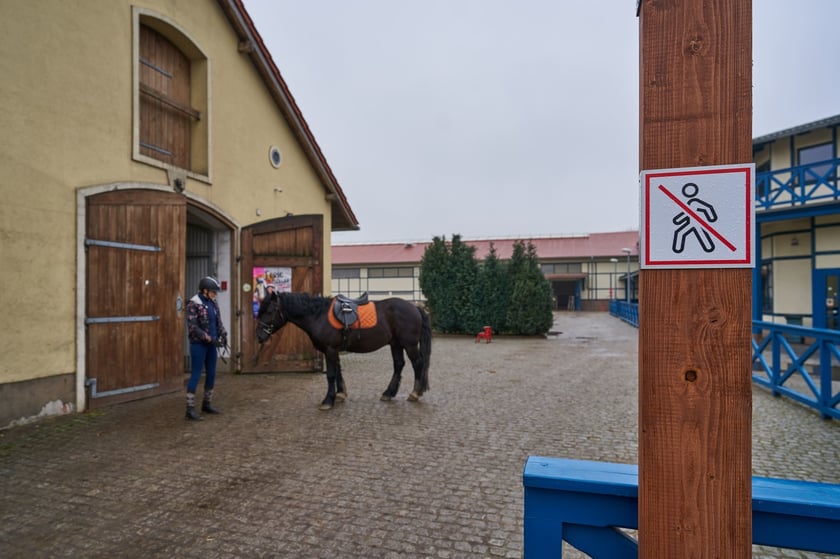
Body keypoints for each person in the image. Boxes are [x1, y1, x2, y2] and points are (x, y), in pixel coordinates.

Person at [185, 276, 227, 420]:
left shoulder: (213, 304)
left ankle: (206, 404)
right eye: (213, 292)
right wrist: (207, 337)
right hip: (199, 345)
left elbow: (218, 321)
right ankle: (189, 408)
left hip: (211, 346)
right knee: (196, 374)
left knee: (211, 374)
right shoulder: (193, 304)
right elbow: (192, 327)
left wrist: (223, 332)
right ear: (205, 290)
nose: (215, 294)